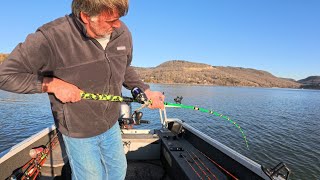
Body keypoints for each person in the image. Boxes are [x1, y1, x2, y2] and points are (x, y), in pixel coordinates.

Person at [0, 0, 165, 179]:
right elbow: (5, 75)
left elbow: (124, 67)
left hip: (111, 124)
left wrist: (145, 90)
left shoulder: (122, 32)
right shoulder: (51, 37)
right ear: (86, 16)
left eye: (119, 18)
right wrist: (53, 84)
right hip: (79, 130)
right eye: (110, 21)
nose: (117, 25)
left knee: (117, 172)